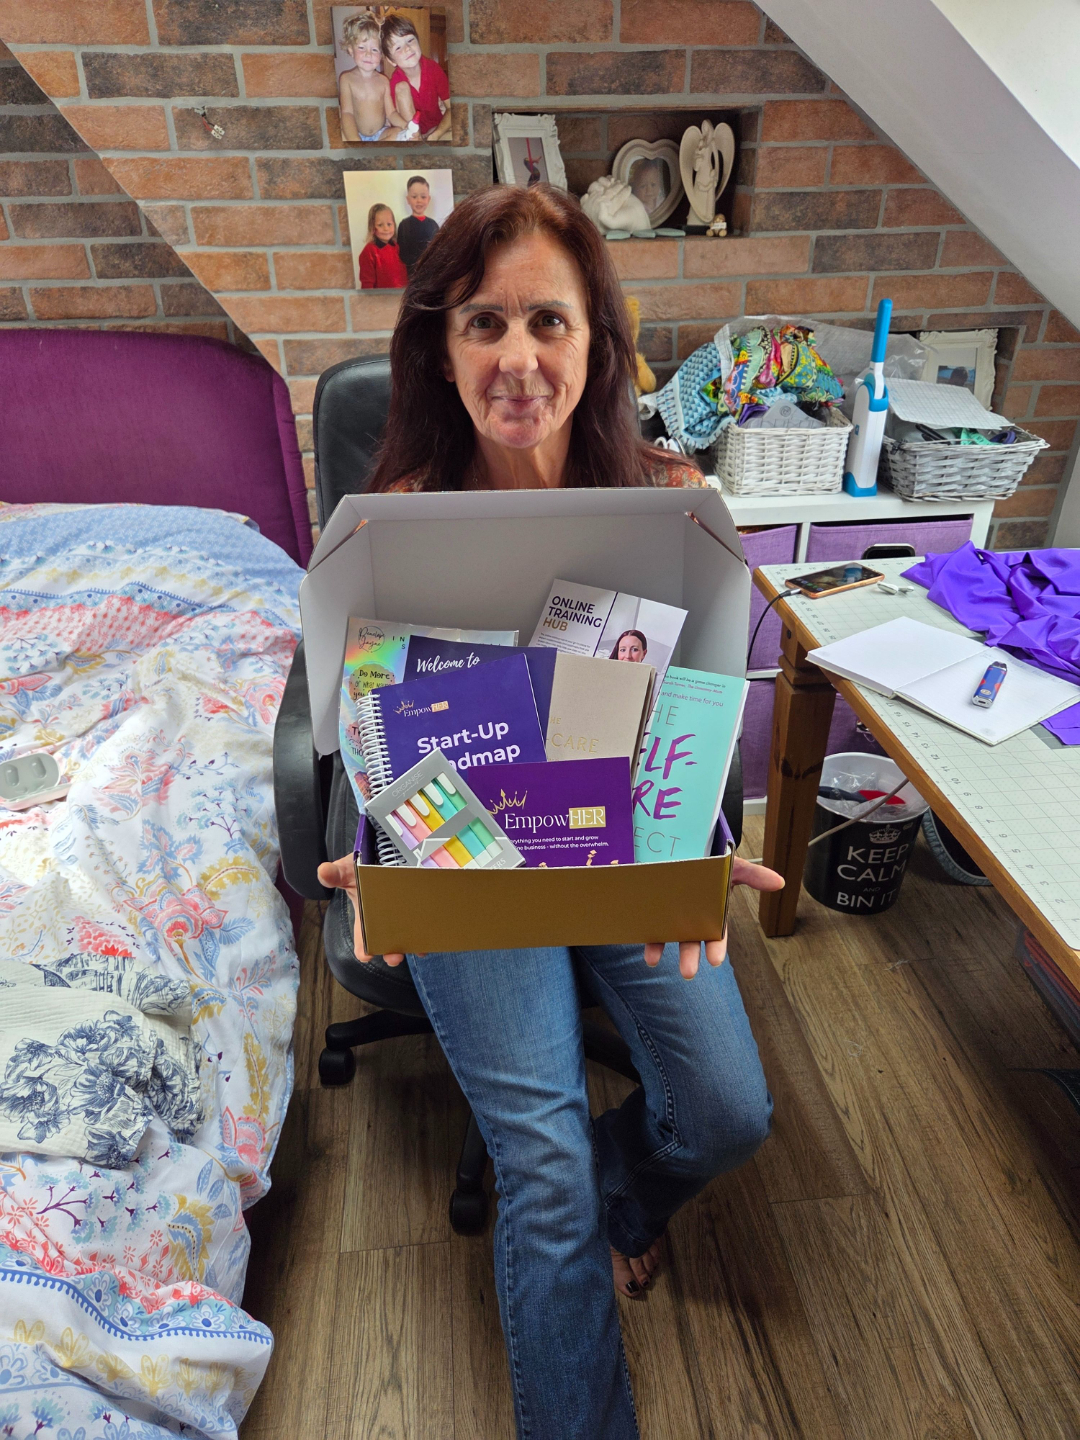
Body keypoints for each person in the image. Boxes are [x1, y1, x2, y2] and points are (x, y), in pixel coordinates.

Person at [317, 184, 782, 1440]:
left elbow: (700, 716)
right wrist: (375, 856)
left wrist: (705, 855)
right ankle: (580, 1213)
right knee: (543, 1170)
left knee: (731, 1114)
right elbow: (365, 734)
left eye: (548, 321)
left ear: (597, 341)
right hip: (464, 866)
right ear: (441, 346)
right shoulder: (393, 524)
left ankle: (625, 1189)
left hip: (620, 850)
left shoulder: (672, 504)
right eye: (483, 322)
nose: (517, 358)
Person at [337, 11, 405, 143]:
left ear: (381, 54)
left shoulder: (384, 81)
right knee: (341, 134)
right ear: (351, 50)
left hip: (380, 134)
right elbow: (347, 113)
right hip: (357, 134)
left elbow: (391, 113)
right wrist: (355, 140)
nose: (368, 54)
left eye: (374, 50)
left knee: (397, 132)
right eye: (362, 48)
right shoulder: (346, 79)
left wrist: (405, 125)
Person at [382, 12, 451, 143]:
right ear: (391, 61)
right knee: (401, 87)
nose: (407, 48)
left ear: (418, 41)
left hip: (436, 129)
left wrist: (436, 135)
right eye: (398, 47)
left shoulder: (433, 68)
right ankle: (417, 141)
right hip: (412, 134)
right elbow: (393, 117)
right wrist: (410, 131)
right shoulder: (395, 83)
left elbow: (451, 108)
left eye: (410, 40)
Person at [395, 175, 439, 275]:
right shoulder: (404, 225)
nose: (419, 200)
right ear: (408, 199)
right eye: (414, 197)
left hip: (431, 274)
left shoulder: (434, 225)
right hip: (412, 275)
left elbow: (438, 250)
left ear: (428, 199)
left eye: (423, 197)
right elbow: (403, 254)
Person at [357, 202, 408, 289]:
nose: (386, 228)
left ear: (394, 225)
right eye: (380, 225)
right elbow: (367, 285)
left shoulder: (397, 247)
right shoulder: (369, 251)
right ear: (372, 227)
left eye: (389, 224)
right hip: (383, 297)